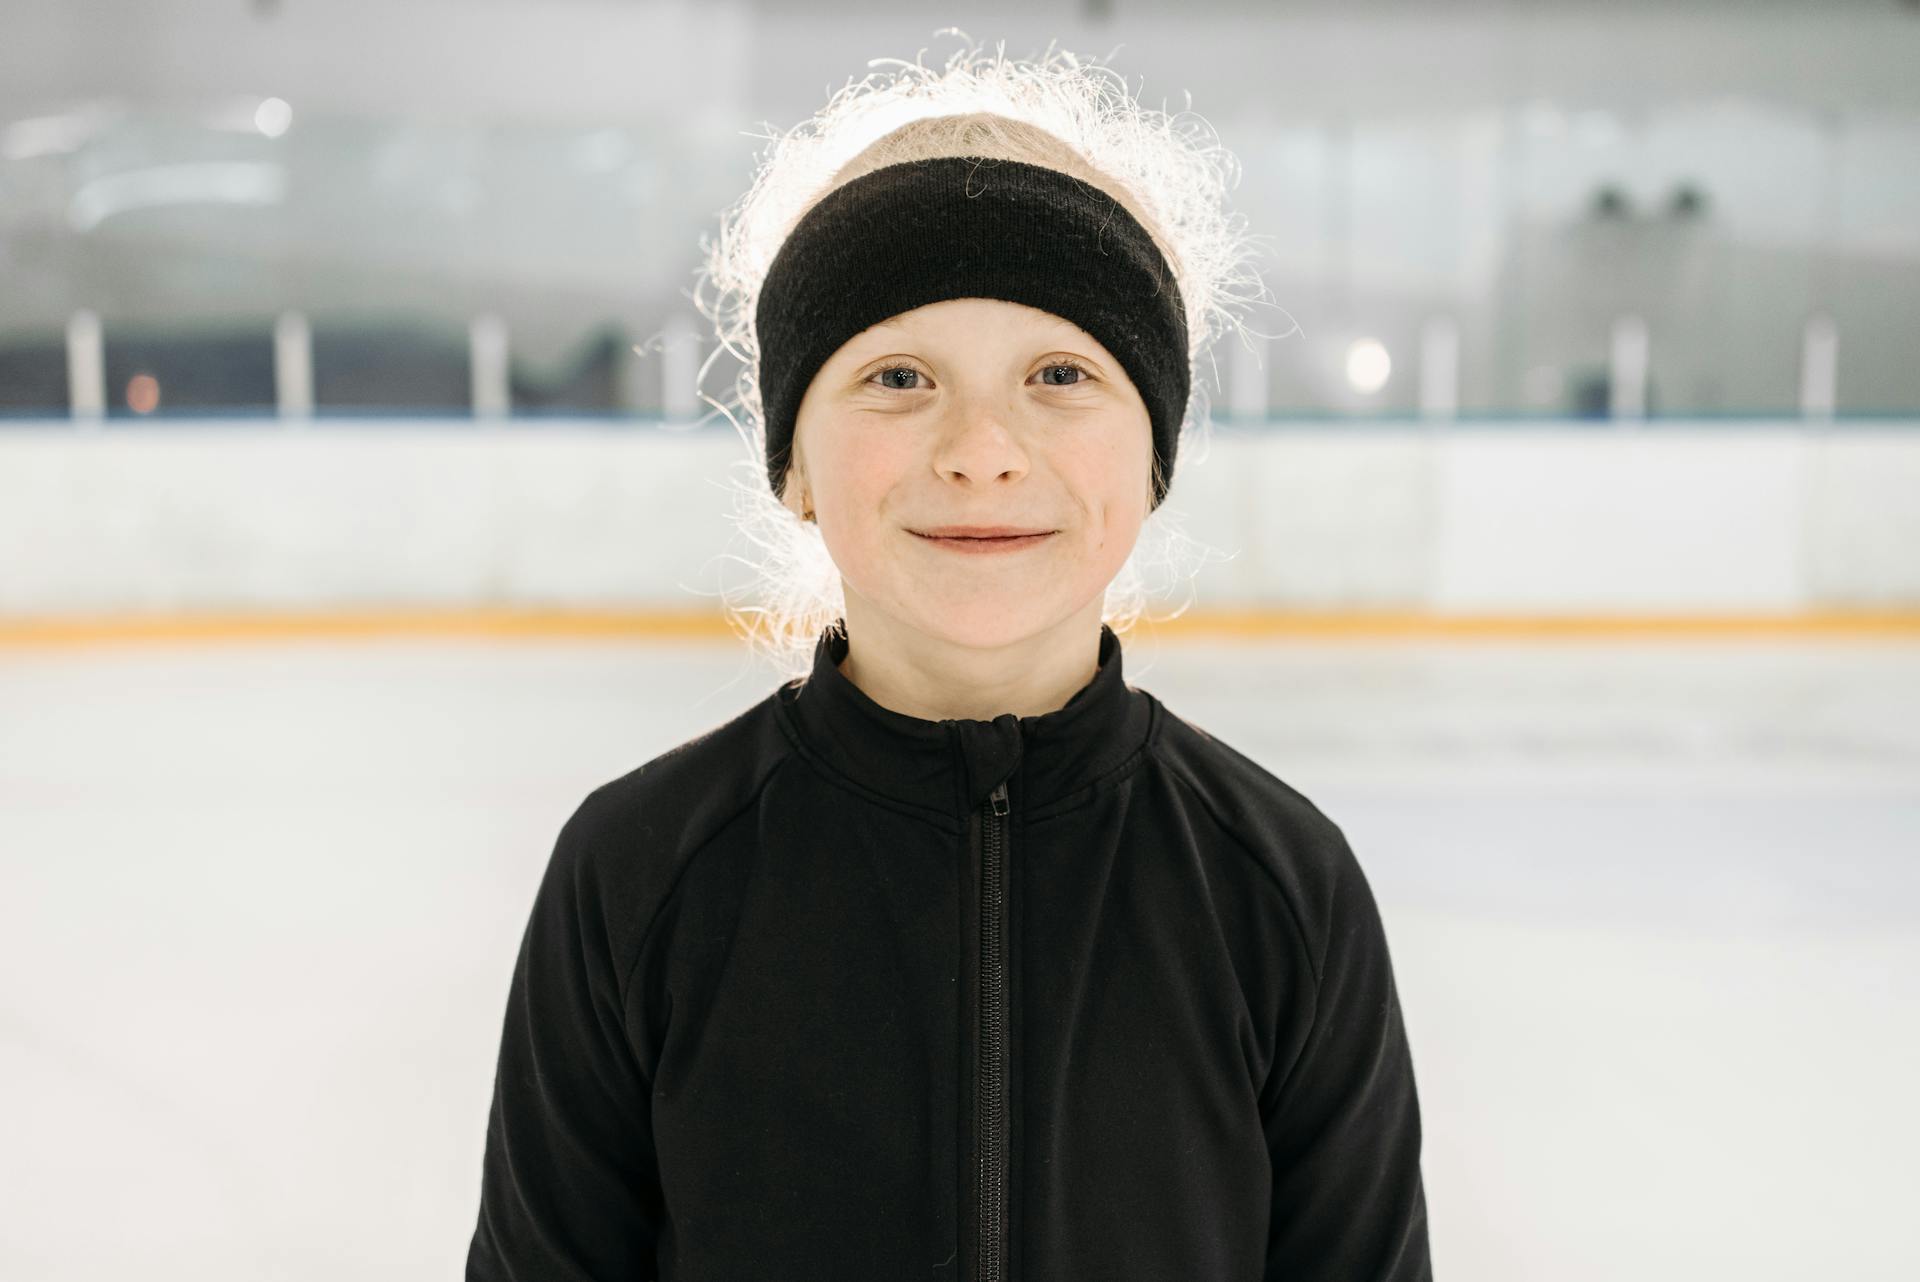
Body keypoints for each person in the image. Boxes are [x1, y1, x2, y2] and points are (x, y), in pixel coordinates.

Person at [466, 39, 1431, 1282]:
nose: (981, 449)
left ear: (1154, 454)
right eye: (899, 376)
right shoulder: (640, 872)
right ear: (793, 462)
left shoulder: (1280, 888)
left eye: (1061, 374)